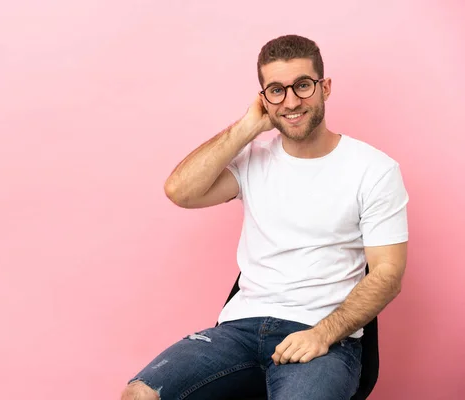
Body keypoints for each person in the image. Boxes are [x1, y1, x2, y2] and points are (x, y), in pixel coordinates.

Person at [121, 34, 409, 400]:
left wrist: (322, 334)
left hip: (321, 335)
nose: (291, 101)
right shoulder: (252, 160)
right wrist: (247, 128)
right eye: (276, 90)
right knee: (140, 394)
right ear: (263, 99)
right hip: (238, 330)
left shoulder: (374, 170)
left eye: (303, 86)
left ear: (325, 88)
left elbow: (387, 273)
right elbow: (181, 191)